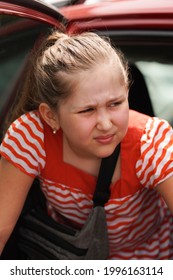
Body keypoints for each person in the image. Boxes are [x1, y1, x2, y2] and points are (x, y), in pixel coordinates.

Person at [0, 29, 173, 260]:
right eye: (87, 110)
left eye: (115, 103)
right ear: (51, 116)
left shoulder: (151, 141)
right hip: (66, 257)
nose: (105, 123)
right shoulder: (32, 136)